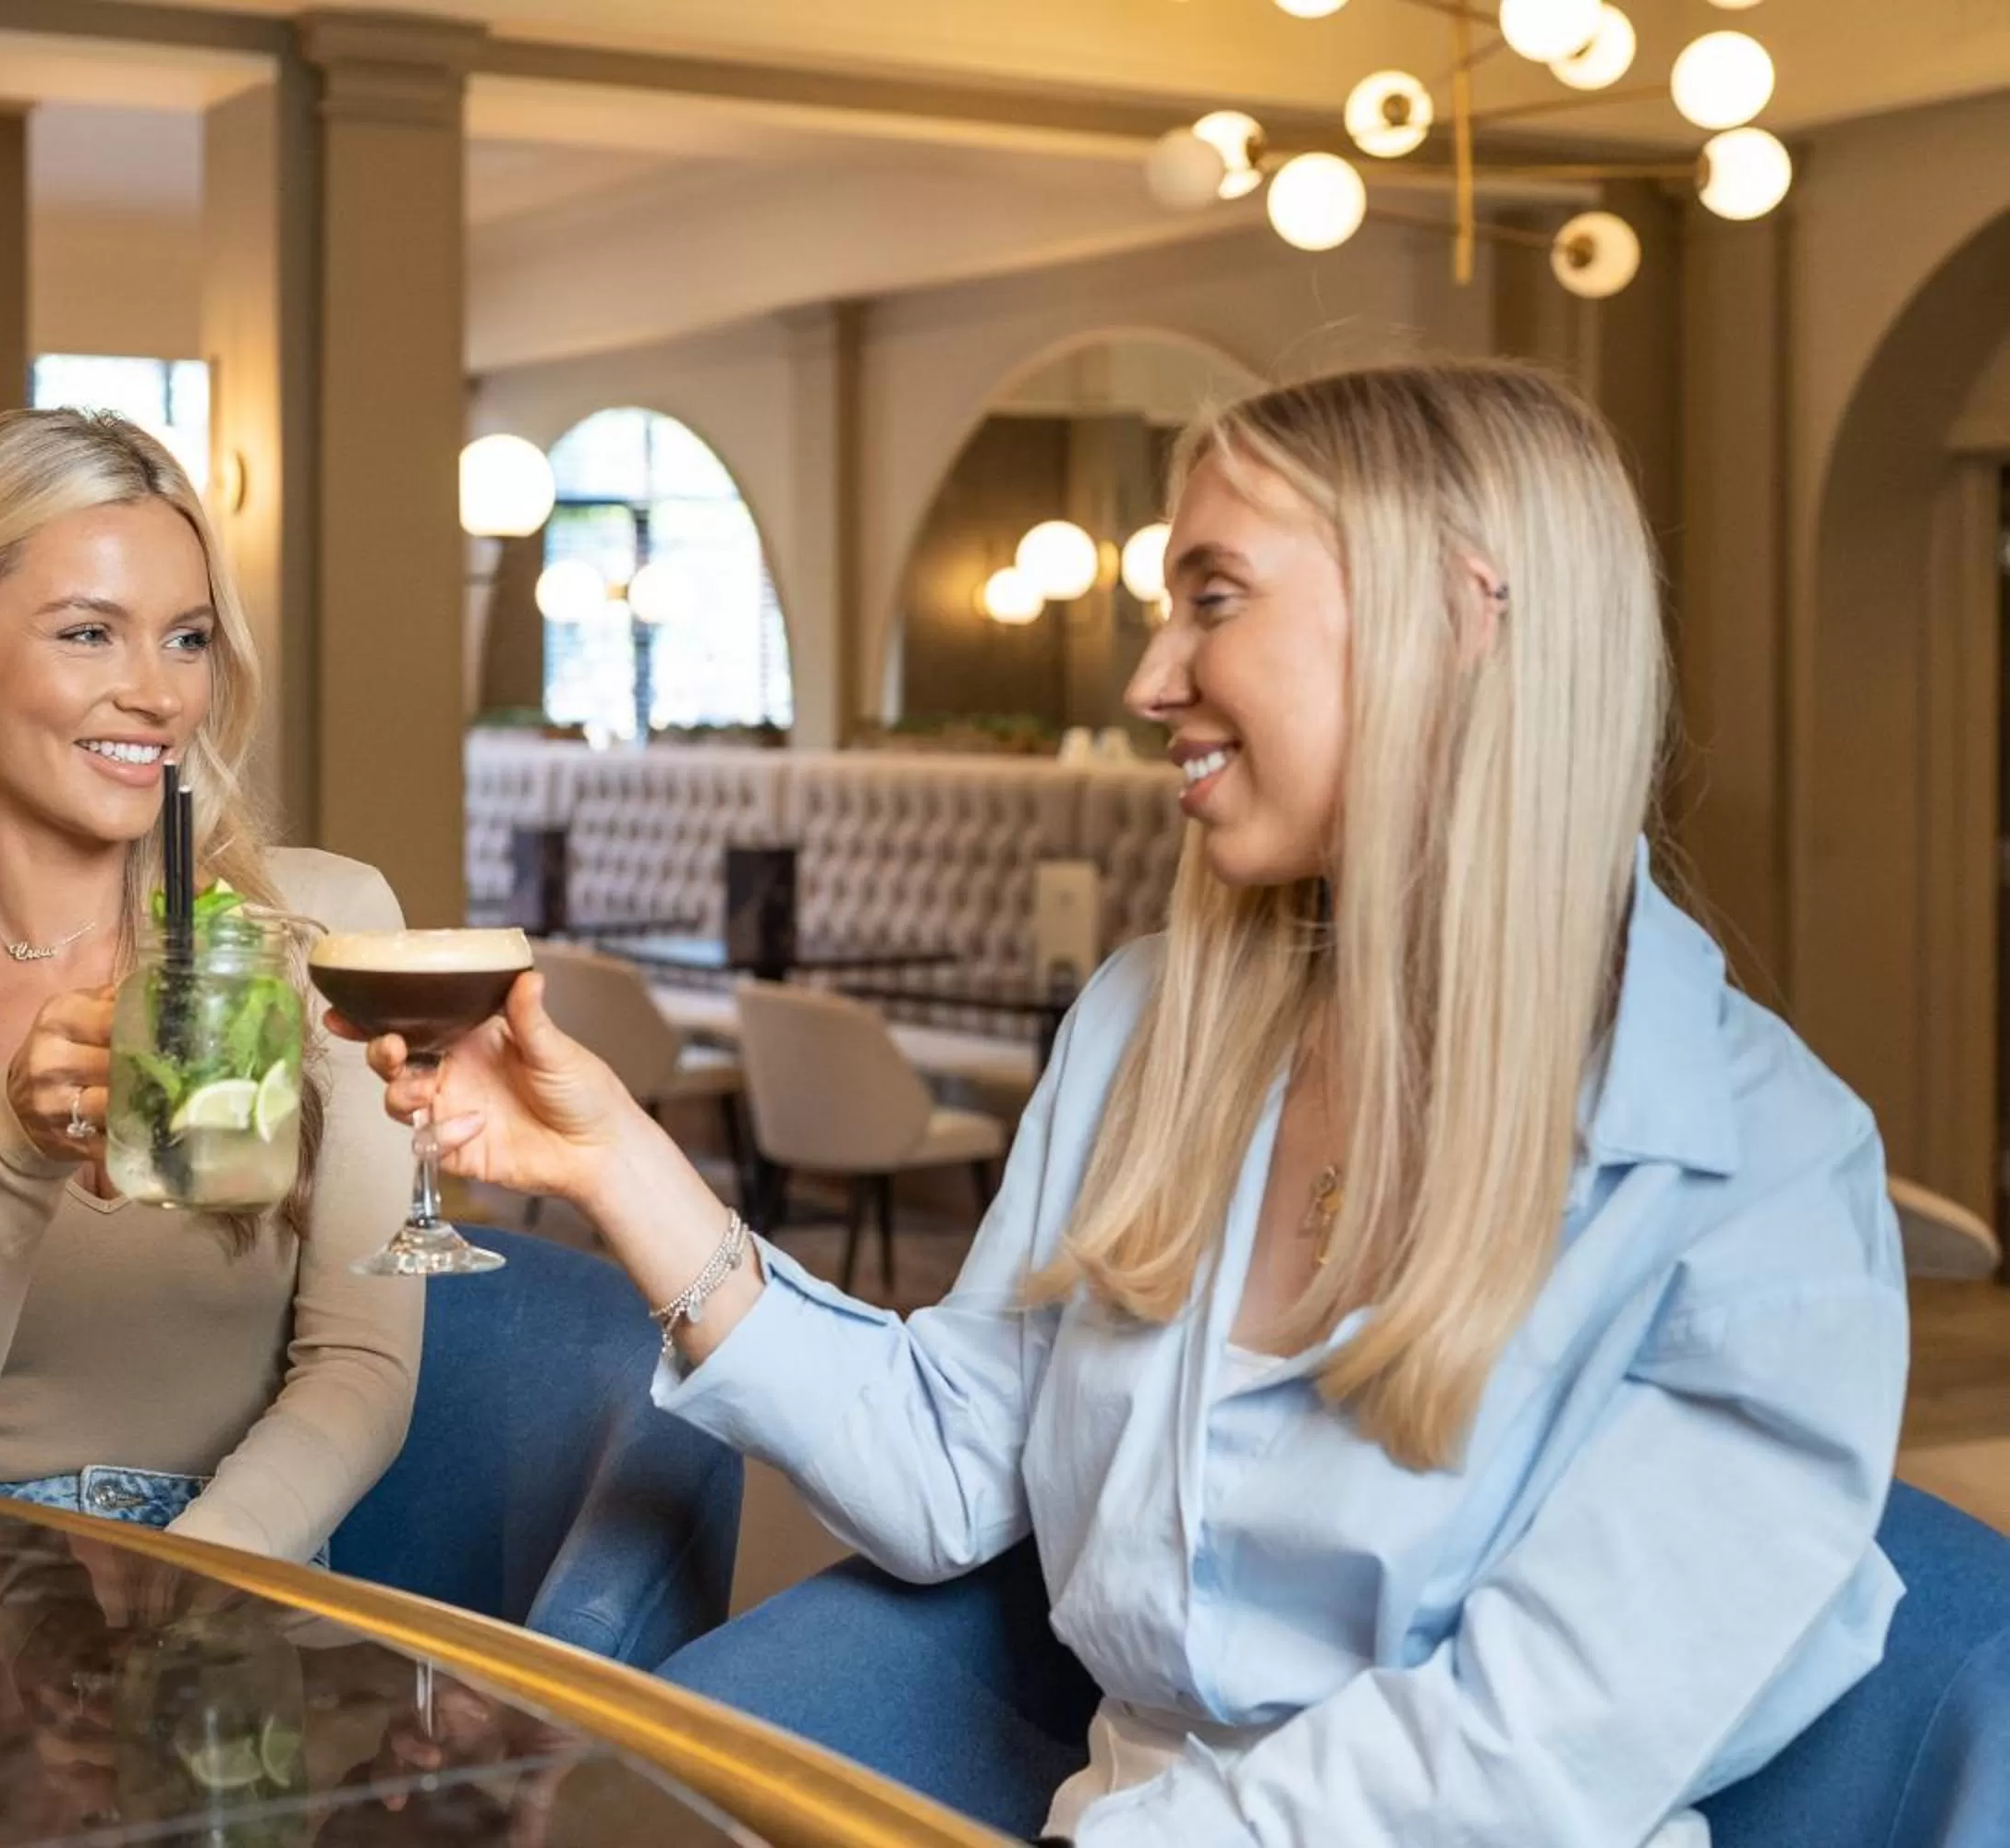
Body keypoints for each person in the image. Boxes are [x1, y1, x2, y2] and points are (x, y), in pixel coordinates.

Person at [335, 362, 1908, 1842]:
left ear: (1462, 613)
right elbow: (944, 1472)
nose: (1153, 679)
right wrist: (613, 1160)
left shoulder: (1762, 1176)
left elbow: (1514, 1759)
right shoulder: (1155, 1024)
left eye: (1212, 601)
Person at [0, 407, 419, 1564]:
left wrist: (191, 1579)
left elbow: (362, 1368)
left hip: (230, 1573)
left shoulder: (324, 926)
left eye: (188, 638)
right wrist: (9, 1146)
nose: (158, 694)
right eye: (90, 633)